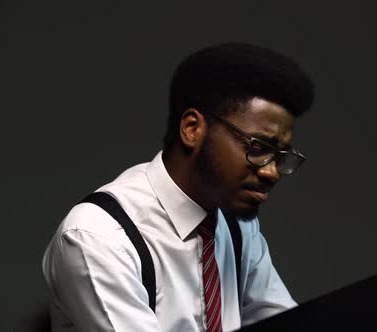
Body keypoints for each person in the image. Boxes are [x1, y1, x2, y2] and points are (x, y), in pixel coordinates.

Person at [42, 42, 315, 332]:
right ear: (192, 128)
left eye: (282, 156)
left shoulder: (235, 225)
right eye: (259, 147)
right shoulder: (98, 238)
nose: (272, 172)